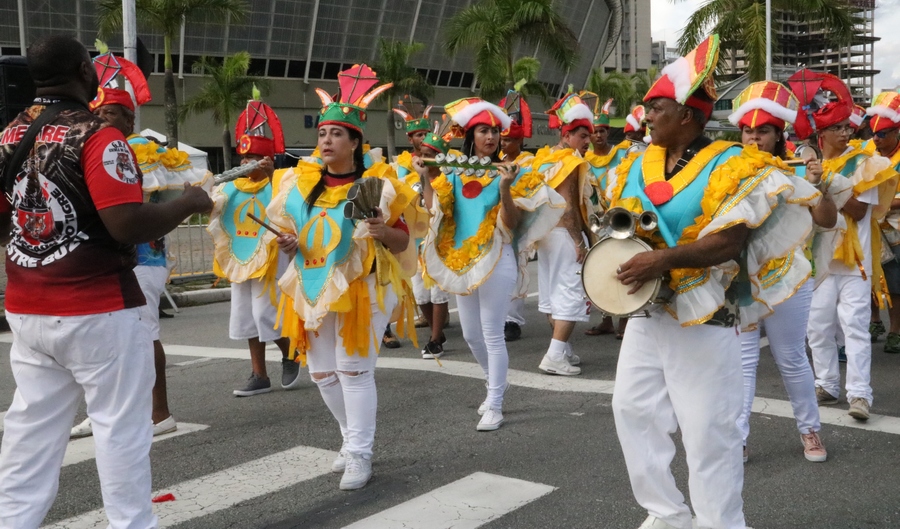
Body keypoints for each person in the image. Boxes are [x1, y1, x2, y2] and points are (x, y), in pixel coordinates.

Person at [0, 34, 212, 529]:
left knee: (28, 434)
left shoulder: (9, 135)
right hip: (99, 310)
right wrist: (187, 204)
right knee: (120, 431)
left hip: (29, 309)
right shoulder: (98, 136)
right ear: (82, 70)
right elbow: (125, 225)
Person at [608, 35, 815, 529]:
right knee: (631, 411)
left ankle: (721, 523)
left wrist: (662, 262)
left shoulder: (730, 162)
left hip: (707, 316)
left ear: (686, 115)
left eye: (654, 106)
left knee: (708, 432)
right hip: (650, 311)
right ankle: (667, 513)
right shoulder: (638, 161)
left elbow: (730, 241)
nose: (646, 114)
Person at [269, 64, 419, 490]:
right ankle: (347, 439)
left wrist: (382, 230)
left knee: (353, 370)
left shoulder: (379, 184)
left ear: (355, 141)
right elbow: (303, 237)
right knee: (321, 374)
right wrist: (291, 246)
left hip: (363, 286)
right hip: (313, 284)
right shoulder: (301, 186)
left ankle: (360, 453)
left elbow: (402, 240)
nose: (326, 140)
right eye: (322, 133)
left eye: (336, 133)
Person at [418, 96, 564, 431]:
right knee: (471, 336)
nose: (491, 137)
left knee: (491, 333)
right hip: (462, 262)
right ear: (470, 135)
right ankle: (494, 383)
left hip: (498, 259)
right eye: (484, 130)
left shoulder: (511, 173)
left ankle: (496, 402)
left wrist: (505, 188)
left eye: (495, 131)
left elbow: (511, 224)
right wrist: (427, 176)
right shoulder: (454, 173)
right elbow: (434, 209)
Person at [727, 80, 843, 463]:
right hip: (743, 281)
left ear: (779, 135)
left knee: (791, 356)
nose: (755, 138)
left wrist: (820, 182)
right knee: (742, 362)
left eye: (763, 131)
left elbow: (826, 221)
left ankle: (810, 431)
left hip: (791, 279)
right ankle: (738, 438)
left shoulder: (795, 173)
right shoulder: (727, 174)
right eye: (749, 130)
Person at [790, 69, 898, 422]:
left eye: (848, 127)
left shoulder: (866, 164)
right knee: (817, 327)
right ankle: (827, 384)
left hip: (855, 262)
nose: (847, 132)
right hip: (819, 261)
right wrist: (812, 180)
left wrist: (829, 181)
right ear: (822, 133)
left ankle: (860, 395)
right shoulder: (807, 165)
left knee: (854, 327)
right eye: (838, 128)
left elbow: (858, 209)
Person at [207, 91, 298, 397]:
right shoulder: (231, 185)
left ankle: (291, 351)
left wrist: (274, 177)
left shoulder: (282, 181)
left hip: (271, 256)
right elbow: (216, 212)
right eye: (243, 157)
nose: (246, 163)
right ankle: (259, 374)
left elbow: (289, 209)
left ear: (267, 159)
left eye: (253, 158)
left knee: (265, 314)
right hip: (241, 255)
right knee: (245, 316)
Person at [532, 93, 595, 376]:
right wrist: (578, 238)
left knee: (551, 293)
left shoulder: (544, 158)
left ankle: (564, 349)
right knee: (570, 292)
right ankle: (555, 354)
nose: (587, 142)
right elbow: (569, 204)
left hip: (545, 235)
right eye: (582, 135)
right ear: (566, 134)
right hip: (563, 234)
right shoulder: (569, 161)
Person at [393, 101, 450, 358]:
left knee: (438, 292)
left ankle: (436, 337)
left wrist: (425, 176)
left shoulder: (448, 179)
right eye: (420, 138)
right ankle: (437, 329)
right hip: (415, 242)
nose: (423, 143)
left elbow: (434, 207)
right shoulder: (405, 172)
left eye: (428, 138)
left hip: (438, 240)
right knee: (420, 294)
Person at [584, 102, 645, 338]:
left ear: (608, 132)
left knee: (626, 265)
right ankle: (607, 318)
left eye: (602, 131)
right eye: (593, 131)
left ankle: (627, 321)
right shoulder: (584, 159)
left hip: (623, 220)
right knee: (602, 268)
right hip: (597, 222)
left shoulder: (623, 153)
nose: (598, 135)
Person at [865, 91, 900, 353]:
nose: (876, 139)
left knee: (896, 282)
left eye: (883, 134)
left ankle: (895, 331)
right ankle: (874, 320)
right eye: (874, 133)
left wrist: (882, 204)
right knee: (867, 277)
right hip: (869, 224)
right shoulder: (867, 153)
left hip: (895, 227)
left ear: (896, 132)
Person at [499, 90, 535, 342]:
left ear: (519, 141)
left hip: (521, 219)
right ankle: (499, 316)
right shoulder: (497, 161)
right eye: (502, 141)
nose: (503, 145)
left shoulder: (530, 161)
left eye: (508, 141)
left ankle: (513, 319)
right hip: (500, 220)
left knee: (517, 268)